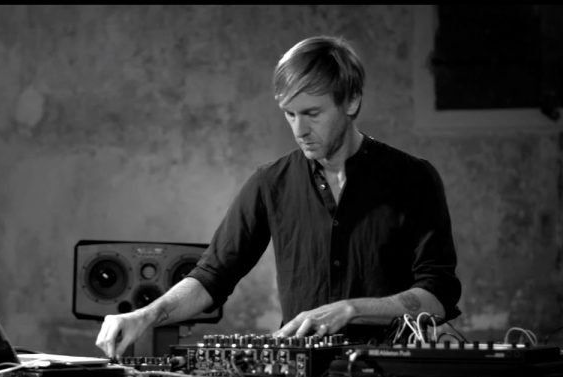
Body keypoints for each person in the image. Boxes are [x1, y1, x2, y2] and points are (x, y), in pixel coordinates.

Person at [96, 35, 461, 359]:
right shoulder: (270, 183)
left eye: (312, 114)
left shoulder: (414, 178)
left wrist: (351, 309)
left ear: (351, 101)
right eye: (290, 114)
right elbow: (212, 276)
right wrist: (144, 315)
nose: (299, 130)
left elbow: (438, 296)